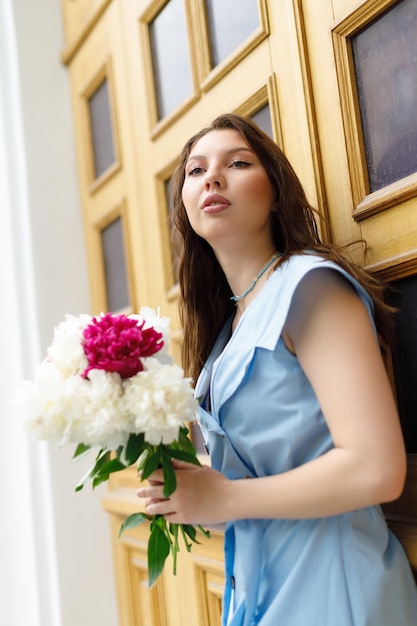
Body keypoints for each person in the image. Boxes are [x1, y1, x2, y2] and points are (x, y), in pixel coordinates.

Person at [137, 113, 417, 625]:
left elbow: (377, 469)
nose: (212, 178)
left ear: (274, 190)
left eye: (237, 163)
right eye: (195, 171)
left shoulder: (310, 286)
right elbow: (249, 480)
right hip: (258, 588)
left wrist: (225, 497)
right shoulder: (225, 332)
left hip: (334, 586)